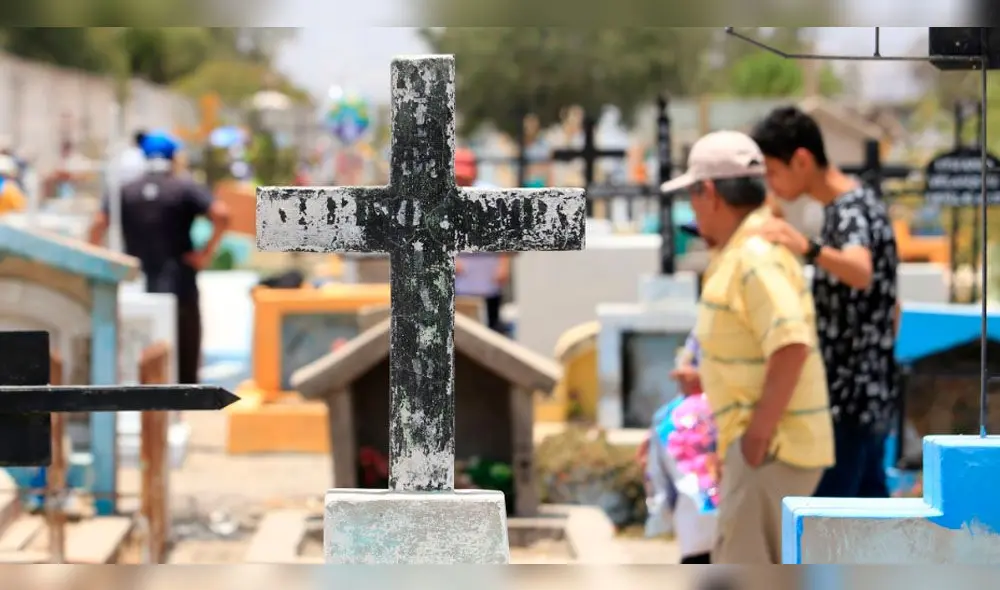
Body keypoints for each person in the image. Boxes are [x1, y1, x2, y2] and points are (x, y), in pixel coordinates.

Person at [661, 130, 833, 564]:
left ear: (711, 193)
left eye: (693, 197)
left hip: (773, 449)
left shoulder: (754, 255)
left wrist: (755, 438)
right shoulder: (742, 251)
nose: (693, 210)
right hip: (766, 447)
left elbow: (790, 345)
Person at [751, 107, 900, 499]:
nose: (771, 182)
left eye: (773, 171)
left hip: (848, 402)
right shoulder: (860, 201)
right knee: (870, 526)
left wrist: (807, 247)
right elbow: (891, 305)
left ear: (801, 160)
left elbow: (860, 269)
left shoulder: (848, 209)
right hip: (871, 395)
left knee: (829, 528)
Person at [88, 132, 230, 384]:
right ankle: (185, 396)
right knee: (183, 342)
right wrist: (205, 253)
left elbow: (98, 225)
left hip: (135, 279)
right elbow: (221, 214)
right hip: (179, 278)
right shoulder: (184, 187)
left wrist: (101, 263)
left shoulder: (125, 189)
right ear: (172, 157)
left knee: (138, 341)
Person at [453, 148, 511, 333]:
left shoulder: (491, 194)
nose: (462, 181)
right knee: (462, 330)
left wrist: (503, 264)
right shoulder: (445, 198)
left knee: (493, 327)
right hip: (461, 279)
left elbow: (505, 234)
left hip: (488, 273)